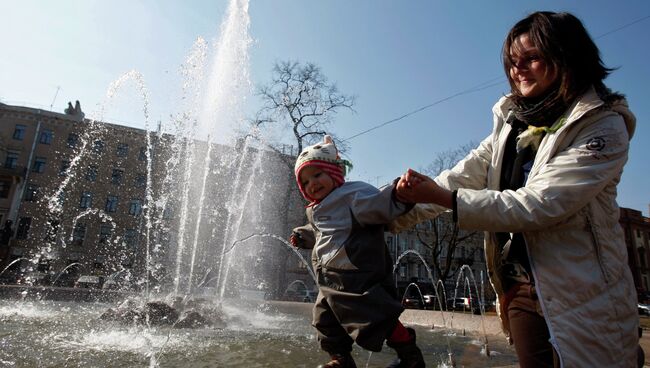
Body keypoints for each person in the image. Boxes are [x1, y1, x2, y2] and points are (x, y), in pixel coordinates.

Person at [393, 11, 638, 368]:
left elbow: (541, 203)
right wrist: (382, 213)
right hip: (520, 290)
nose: (517, 69)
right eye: (512, 61)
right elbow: (458, 177)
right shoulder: (511, 124)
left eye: (532, 58)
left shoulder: (603, 125)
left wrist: (443, 198)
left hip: (584, 293)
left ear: (567, 56)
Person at [290, 135, 425, 368]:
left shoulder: (353, 196)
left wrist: (399, 194)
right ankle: (340, 359)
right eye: (306, 181)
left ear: (334, 172)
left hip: (357, 277)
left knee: (378, 318)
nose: (313, 183)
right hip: (330, 280)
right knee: (324, 321)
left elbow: (379, 205)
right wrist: (304, 236)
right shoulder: (317, 209)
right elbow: (322, 232)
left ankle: (410, 357)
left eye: (317, 174)